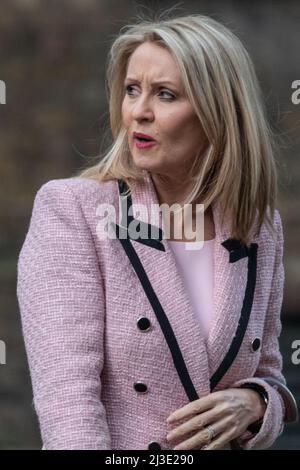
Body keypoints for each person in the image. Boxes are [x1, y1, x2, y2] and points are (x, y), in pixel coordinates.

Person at [17, 13, 298, 450]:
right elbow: (67, 404)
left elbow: (269, 372)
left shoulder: (259, 226)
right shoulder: (73, 209)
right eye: (132, 90)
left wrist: (256, 402)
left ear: (218, 111)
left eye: (165, 95)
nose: (138, 112)